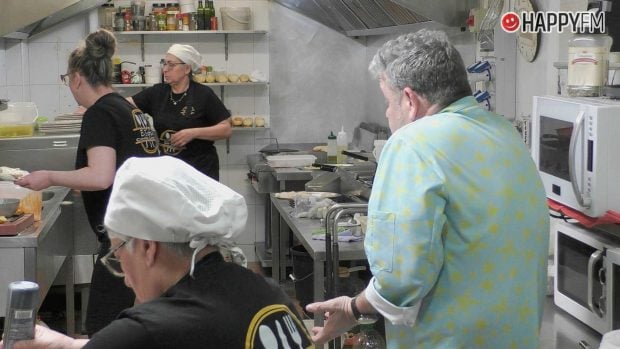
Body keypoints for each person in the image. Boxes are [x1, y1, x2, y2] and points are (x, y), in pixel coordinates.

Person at [307, 29, 550, 348]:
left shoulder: (413, 142)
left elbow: (400, 279)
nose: (387, 113)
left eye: (388, 101)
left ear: (409, 100)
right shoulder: (505, 133)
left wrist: (353, 308)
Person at [2, 156, 313, 349]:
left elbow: (144, 338)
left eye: (118, 254)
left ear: (148, 248)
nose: (124, 280)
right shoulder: (265, 291)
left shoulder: (151, 328)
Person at [15, 29, 160, 336]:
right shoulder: (128, 109)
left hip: (126, 240)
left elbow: (100, 175)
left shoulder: (100, 114)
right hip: (148, 233)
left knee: (103, 327)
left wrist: (49, 176)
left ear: (78, 77)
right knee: (129, 325)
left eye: (67, 78)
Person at [127, 44, 232, 180]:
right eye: (164, 64)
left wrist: (193, 133)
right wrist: (102, 103)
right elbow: (124, 104)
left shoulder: (203, 94)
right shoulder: (158, 92)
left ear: (187, 68)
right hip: (169, 170)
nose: (165, 69)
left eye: (171, 65)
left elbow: (226, 129)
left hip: (200, 170)